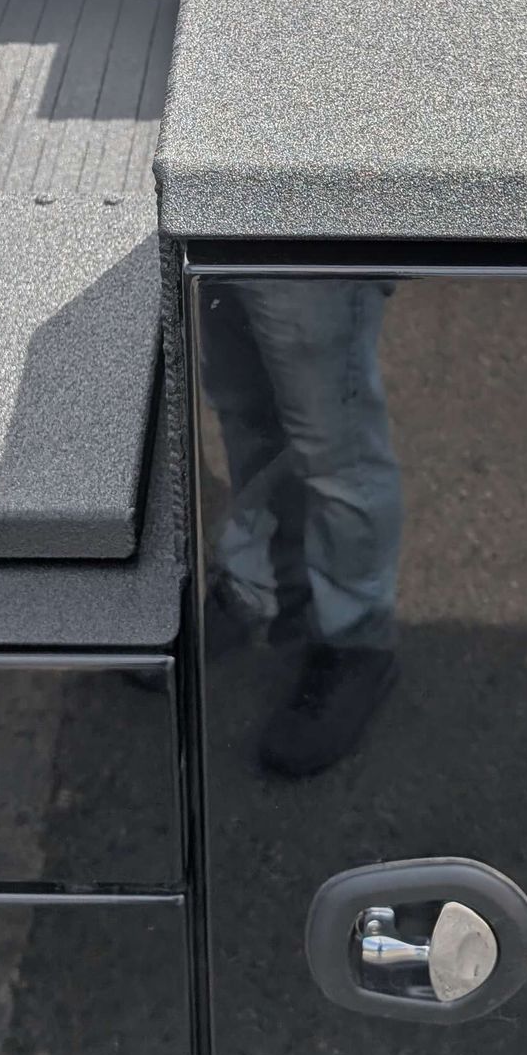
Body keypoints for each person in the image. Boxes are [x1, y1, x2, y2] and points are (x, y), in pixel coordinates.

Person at [196, 278, 402, 776]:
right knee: (245, 407)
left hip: (312, 213)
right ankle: (262, 579)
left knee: (335, 445)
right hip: (213, 211)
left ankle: (357, 636)